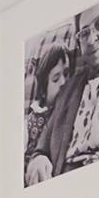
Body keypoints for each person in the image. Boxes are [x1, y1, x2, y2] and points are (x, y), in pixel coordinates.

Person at [25, 0, 99, 183]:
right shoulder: (69, 88)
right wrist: (38, 159)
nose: (91, 39)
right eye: (84, 34)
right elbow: (41, 148)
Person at [24, 44, 69, 173]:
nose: (63, 82)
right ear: (44, 90)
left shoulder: (70, 107)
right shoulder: (32, 120)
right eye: (56, 79)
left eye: (66, 74)